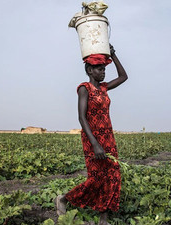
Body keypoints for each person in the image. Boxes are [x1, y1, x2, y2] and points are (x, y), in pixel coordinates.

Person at [55, 44, 128, 225]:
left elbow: (123, 77)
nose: (103, 72)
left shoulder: (104, 88)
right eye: (99, 69)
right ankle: (64, 198)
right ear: (89, 70)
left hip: (108, 138)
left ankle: (104, 218)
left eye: (104, 69)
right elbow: (82, 117)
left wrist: (113, 55)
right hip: (92, 139)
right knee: (96, 179)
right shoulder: (84, 89)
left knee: (112, 176)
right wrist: (95, 144)